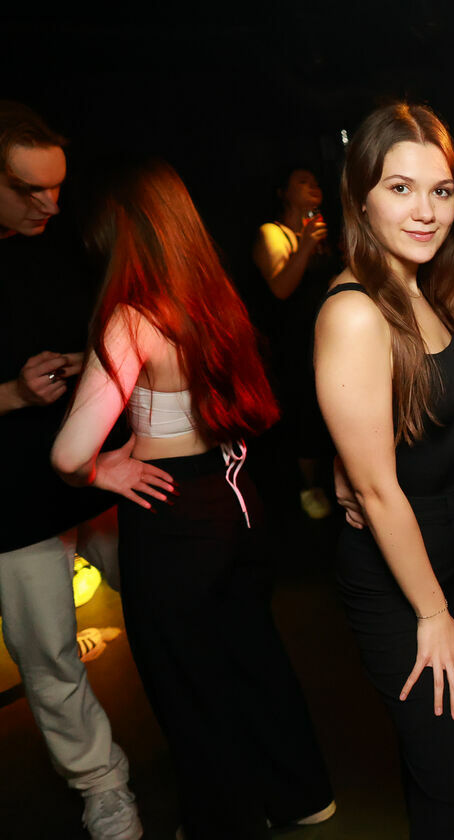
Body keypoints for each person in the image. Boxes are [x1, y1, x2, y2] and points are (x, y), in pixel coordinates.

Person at [50, 159, 334, 839]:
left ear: (126, 234)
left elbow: (68, 454)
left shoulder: (132, 318)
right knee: (253, 657)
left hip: (175, 516)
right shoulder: (214, 300)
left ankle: (225, 823)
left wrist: (98, 472)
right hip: (237, 498)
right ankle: (301, 795)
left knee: (187, 681)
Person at [313, 102, 454, 839]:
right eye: (400, 188)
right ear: (360, 198)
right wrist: (430, 613)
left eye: (441, 191)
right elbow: (376, 487)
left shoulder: (428, 290)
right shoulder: (355, 312)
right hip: (399, 580)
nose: (426, 211)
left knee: (438, 767)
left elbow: (443, 430)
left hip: (449, 552)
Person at [0, 100, 142, 840]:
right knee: (49, 653)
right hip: (13, 496)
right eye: (29, 190)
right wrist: (14, 394)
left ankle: (214, 746)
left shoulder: (64, 243)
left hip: (101, 468)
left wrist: (93, 362)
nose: (50, 205)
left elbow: (116, 331)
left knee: (167, 598)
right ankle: (103, 787)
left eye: (57, 186)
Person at [251, 166, 337, 519]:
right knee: (304, 416)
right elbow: (281, 288)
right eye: (302, 181)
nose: (313, 185)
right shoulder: (272, 233)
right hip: (292, 343)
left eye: (315, 181)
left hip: (326, 338)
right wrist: (305, 245)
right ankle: (306, 489)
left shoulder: (318, 231)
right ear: (283, 193)